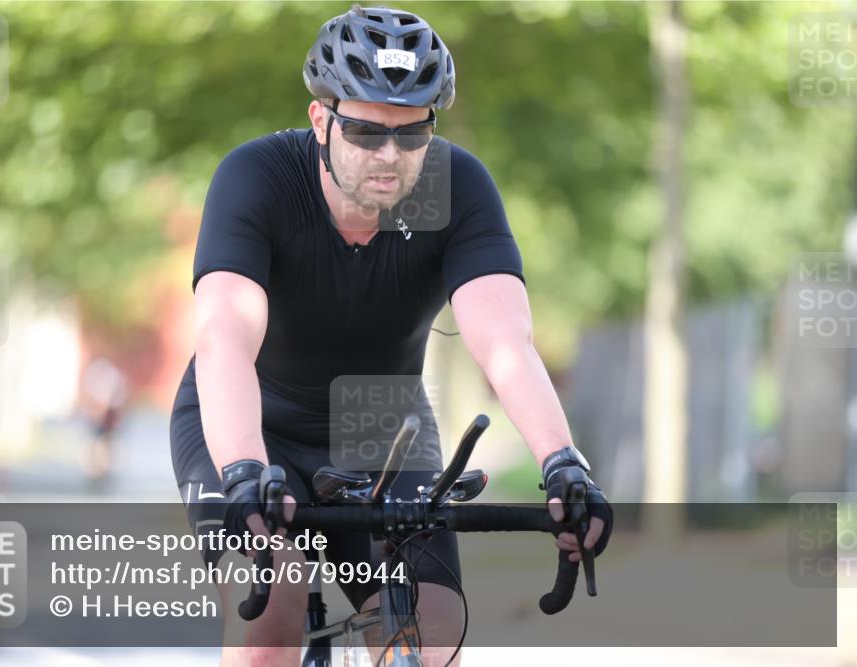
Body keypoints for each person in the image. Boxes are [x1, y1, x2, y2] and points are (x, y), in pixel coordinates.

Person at [170, 5, 613, 666]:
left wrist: (563, 464)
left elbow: (505, 343)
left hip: (381, 427)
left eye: (412, 135)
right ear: (321, 120)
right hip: (254, 420)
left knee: (432, 631)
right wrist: (242, 468)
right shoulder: (259, 177)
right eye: (365, 131)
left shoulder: (455, 188)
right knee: (273, 608)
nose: (389, 156)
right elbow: (224, 335)